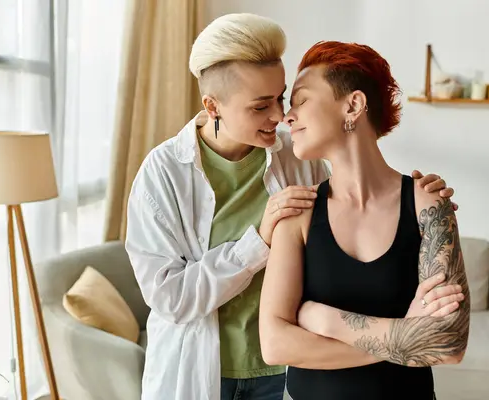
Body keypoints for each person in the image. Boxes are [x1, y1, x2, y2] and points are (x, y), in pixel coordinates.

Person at [125, 13, 460, 400]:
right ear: (213, 106)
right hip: (205, 371)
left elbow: (343, 234)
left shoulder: (299, 157)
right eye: (259, 106)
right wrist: (258, 242)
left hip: (287, 374)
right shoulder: (163, 173)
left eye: (281, 98)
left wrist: (417, 199)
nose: (279, 116)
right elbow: (171, 298)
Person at [258, 40, 471, 400]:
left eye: (300, 100)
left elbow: (448, 343)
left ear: (353, 105)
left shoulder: (428, 204)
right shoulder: (297, 215)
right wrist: (404, 335)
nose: (286, 116)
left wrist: (327, 322)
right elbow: (275, 346)